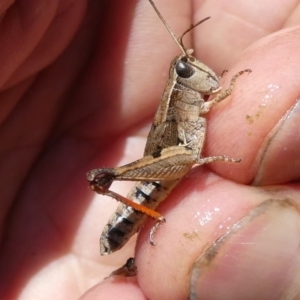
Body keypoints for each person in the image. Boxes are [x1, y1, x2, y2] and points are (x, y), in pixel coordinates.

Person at [0, 1, 299, 299]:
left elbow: (205, 114)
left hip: (169, 162)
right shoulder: (177, 106)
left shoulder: (190, 101)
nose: (194, 67)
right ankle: (149, 214)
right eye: (186, 68)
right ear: (180, 80)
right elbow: (186, 153)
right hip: (152, 181)